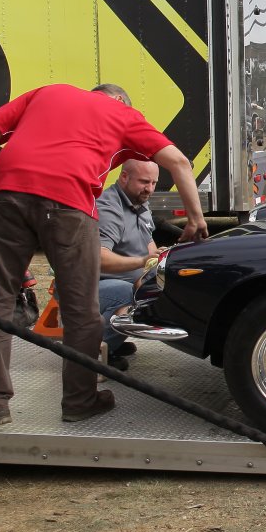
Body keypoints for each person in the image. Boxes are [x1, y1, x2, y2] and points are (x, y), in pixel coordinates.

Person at [0, 83, 208, 431]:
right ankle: (80, 400)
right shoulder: (123, 113)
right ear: (119, 100)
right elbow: (178, 161)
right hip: (70, 204)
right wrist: (195, 219)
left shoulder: (48, 92)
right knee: (81, 310)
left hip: (7, 197)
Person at [98, 157, 160, 372]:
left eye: (153, 183)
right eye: (144, 182)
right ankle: (94, 349)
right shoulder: (109, 209)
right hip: (87, 286)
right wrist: (142, 262)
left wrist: (157, 263)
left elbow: (148, 243)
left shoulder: (139, 201)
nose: (149, 189)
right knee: (129, 293)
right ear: (124, 177)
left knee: (155, 287)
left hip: (119, 281)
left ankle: (113, 341)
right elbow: (99, 259)